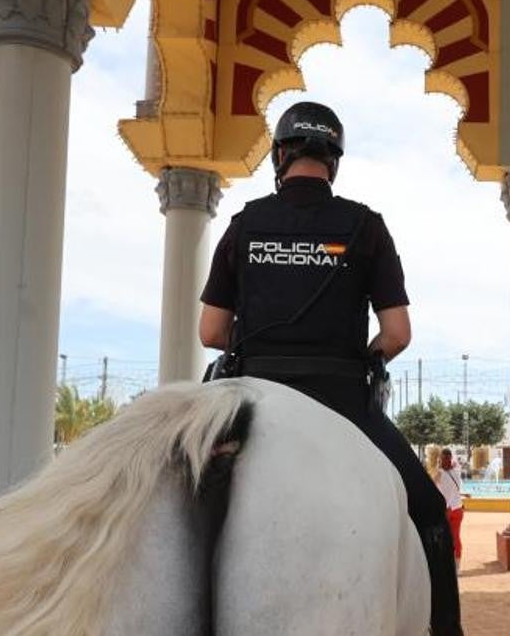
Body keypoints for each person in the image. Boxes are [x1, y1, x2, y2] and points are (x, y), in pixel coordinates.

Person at [198, 101, 462, 635]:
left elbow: (210, 332)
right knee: (430, 510)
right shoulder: (365, 226)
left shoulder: (245, 224)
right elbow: (397, 334)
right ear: (333, 161)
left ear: (279, 155)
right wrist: (362, 355)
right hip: (342, 399)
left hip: (250, 397)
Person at [432, 448, 465, 570]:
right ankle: (457, 568)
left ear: (441, 459)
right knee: (456, 537)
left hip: (445, 511)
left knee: (441, 538)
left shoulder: (439, 473)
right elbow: (455, 464)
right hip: (458, 509)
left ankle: (444, 566)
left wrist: (437, 465)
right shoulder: (457, 471)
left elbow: (431, 485)